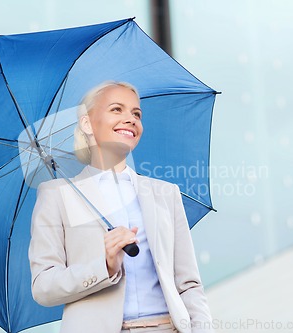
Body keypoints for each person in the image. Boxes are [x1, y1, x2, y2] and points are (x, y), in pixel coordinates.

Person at [28, 81, 214, 333]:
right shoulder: (57, 195)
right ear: (87, 124)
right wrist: (104, 266)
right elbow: (43, 286)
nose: (130, 119)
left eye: (136, 113)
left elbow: (189, 284)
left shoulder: (164, 193)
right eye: (116, 109)